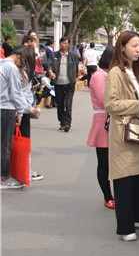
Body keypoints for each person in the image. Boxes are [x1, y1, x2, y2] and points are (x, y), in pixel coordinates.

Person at [105, 31, 139, 242]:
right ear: (121, 47)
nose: (138, 49)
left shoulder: (138, 70)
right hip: (124, 132)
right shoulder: (116, 72)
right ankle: (125, 227)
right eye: (133, 45)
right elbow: (111, 104)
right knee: (124, 180)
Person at [1, 46, 41, 189]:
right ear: (20, 57)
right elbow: (15, 94)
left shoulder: (2, 64)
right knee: (6, 146)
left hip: (4, 107)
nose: (23, 66)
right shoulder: (11, 68)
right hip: (6, 108)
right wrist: (27, 110)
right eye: (24, 62)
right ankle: (4, 178)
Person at [87, 46, 115, 209]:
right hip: (103, 119)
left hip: (110, 119)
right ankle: (107, 196)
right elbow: (106, 101)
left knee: (111, 162)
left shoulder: (108, 75)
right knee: (103, 162)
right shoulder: (99, 76)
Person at [48, 37, 81, 132]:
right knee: (60, 104)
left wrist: (75, 78)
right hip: (58, 83)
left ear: (69, 44)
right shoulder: (54, 55)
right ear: (59, 44)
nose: (64, 45)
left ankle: (67, 123)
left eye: (66, 43)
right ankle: (62, 121)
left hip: (69, 83)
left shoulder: (73, 56)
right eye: (62, 43)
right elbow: (49, 65)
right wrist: (50, 72)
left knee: (68, 103)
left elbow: (76, 68)